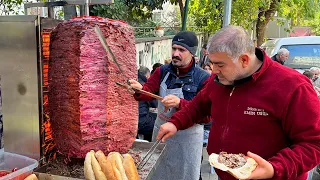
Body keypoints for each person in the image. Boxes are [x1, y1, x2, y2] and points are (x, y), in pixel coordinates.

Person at [156, 25, 320, 180]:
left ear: (244, 60)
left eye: (220, 65)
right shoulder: (220, 79)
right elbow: (198, 106)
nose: (213, 71)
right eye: (212, 64)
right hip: (225, 174)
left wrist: (274, 168)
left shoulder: (293, 87)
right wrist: (175, 123)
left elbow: (313, 144)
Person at [129, 31, 210, 180]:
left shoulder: (203, 78)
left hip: (187, 139)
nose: (175, 53)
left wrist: (180, 103)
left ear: (192, 52)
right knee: (159, 174)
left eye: (181, 50)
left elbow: (206, 116)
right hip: (161, 134)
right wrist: (139, 90)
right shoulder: (162, 71)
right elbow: (148, 91)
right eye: (174, 48)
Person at [136, 66, 157, 142]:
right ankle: (150, 145)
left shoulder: (134, 81)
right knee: (157, 123)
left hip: (135, 118)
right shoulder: (143, 85)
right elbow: (154, 103)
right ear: (147, 76)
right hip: (140, 121)